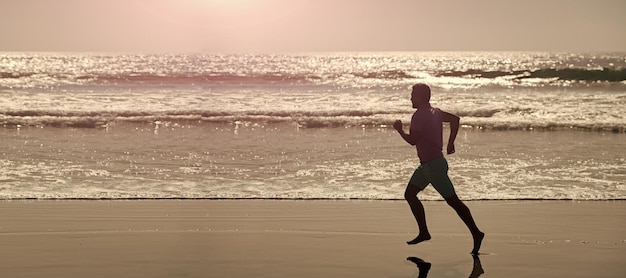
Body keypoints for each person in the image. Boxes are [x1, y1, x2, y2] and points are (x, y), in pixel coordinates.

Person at [393, 83, 484, 254]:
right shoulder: (436, 112)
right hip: (427, 166)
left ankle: (476, 233)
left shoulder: (419, 115)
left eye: (413, 95)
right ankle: (424, 232)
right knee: (410, 194)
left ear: (420, 97)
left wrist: (399, 130)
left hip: (433, 167)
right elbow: (455, 119)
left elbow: (413, 140)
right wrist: (450, 143)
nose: (410, 98)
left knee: (454, 202)